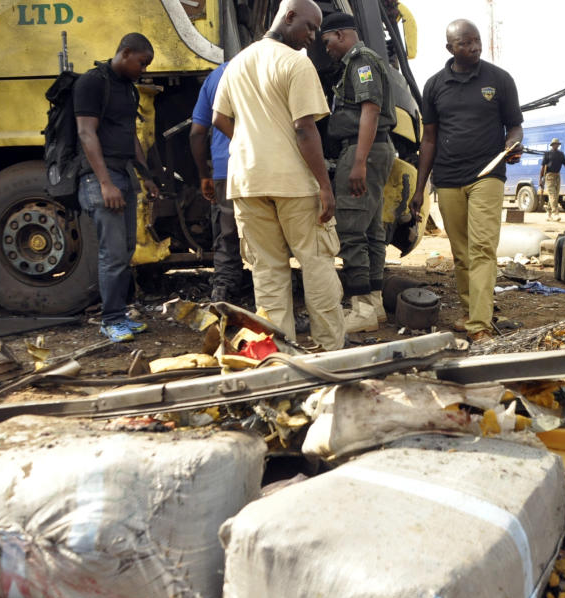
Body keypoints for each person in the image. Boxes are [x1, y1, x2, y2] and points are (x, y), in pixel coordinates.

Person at [211, 0, 344, 351]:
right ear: (288, 17)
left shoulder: (237, 64)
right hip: (293, 183)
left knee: (266, 271)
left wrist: (251, 141)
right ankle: (331, 350)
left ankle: (280, 356)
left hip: (247, 181)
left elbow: (219, 119)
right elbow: (305, 129)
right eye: (310, 27)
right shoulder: (295, 65)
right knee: (316, 262)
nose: (312, 37)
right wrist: (325, 187)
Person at [408, 18, 523, 343]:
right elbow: (428, 140)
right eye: (465, 43)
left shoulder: (499, 80)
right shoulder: (434, 86)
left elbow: (514, 125)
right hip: (447, 179)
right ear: (450, 48)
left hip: (488, 175)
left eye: (476, 42)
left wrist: (513, 143)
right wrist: (420, 188)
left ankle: (480, 327)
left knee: (483, 249)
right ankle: (472, 313)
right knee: (461, 252)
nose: (474, 47)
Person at [74, 33, 160, 343]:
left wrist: (146, 176)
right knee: (112, 254)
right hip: (101, 177)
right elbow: (86, 133)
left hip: (124, 173)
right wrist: (105, 183)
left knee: (124, 251)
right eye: (142, 62)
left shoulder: (127, 88)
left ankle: (120, 315)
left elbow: (130, 136)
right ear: (125, 53)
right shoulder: (92, 82)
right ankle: (110, 321)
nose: (144, 69)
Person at [320, 12, 396, 333]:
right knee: (372, 230)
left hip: (363, 148)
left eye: (326, 42)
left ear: (340, 35)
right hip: (375, 148)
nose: (326, 50)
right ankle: (375, 303)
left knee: (350, 230)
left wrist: (359, 161)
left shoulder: (360, 61)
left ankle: (361, 307)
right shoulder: (358, 62)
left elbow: (370, 109)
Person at [189, 62, 244, 302]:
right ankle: (273, 300)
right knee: (269, 233)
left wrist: (204, 175)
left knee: (227, 232)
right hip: (263, 163)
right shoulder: (268, 65)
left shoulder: (215, 77)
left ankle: (223, 294)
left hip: (225, 167)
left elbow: (197, 133)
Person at [538, 138, 565, 222]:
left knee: (555, 196)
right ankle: (555, 213)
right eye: (554, 144)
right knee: (552, 195)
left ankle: (548, 213)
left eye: (557, 144)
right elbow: (542, 168)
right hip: (549, 176)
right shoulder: (547, 154)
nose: (556, 145)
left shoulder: (561, 154)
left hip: (557, 176)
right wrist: (540, 179)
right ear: (552, 145)